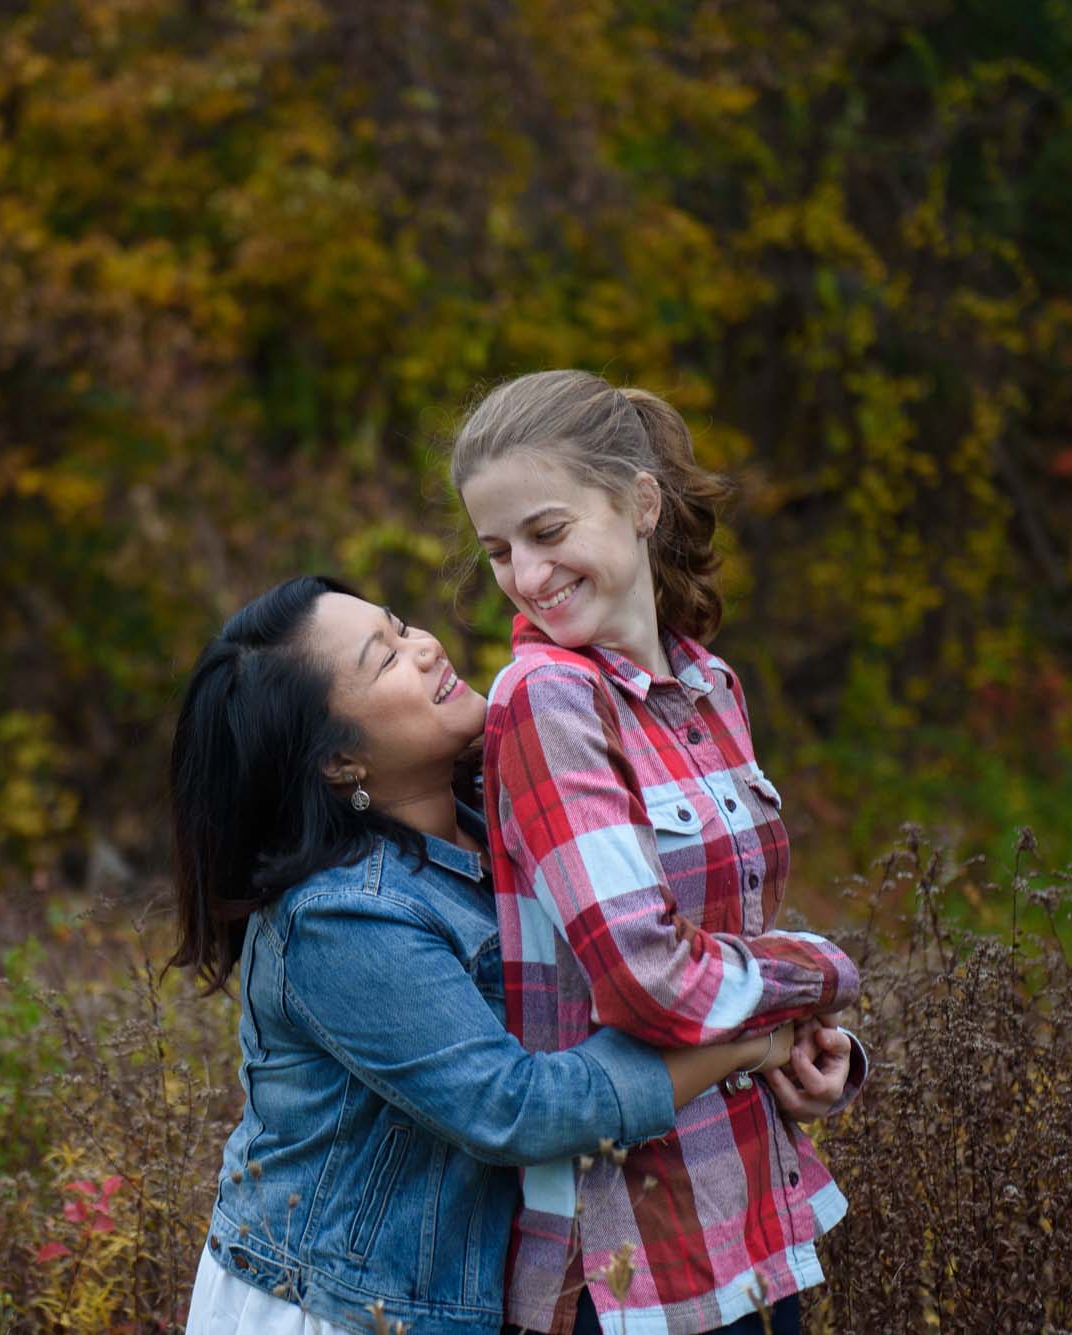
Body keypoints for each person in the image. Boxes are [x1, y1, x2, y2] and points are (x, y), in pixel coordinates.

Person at [168, 575, 797, 1335]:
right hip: (342, 1309)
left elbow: (645, 960)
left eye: (401, 624)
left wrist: (779, 1025)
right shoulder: (342, 915)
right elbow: (515, 1109)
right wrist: (752, 1038)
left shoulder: (499, 823)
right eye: (385, 657)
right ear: (340, 762)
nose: (427, 646)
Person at [453, 371, 868, 1335]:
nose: (524, 573)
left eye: (546, 533)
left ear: (641, 503)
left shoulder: (710, 686)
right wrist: (827, 975)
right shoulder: (544, 696)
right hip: (627, 1258)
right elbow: (649, 977)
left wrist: (814, 1049)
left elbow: (729, 937)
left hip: (757, 1218)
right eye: (498, 551)